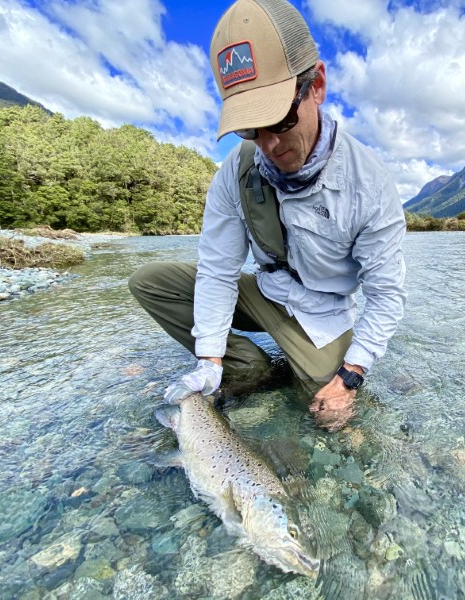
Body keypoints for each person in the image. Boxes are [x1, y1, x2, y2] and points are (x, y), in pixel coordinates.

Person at [129, 0, 406, 431]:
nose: (269, 145)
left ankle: (299, 375)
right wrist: (209, 359)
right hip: (265, 291)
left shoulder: (369, 184)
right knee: (151, 283)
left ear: (316, 86)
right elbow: (219, 271)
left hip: (322, 314)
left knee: (331, 418)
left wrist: (350, 376)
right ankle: (248, 367)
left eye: (278, 119)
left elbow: (386, 296)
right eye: (248, 129)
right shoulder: (233, 174)